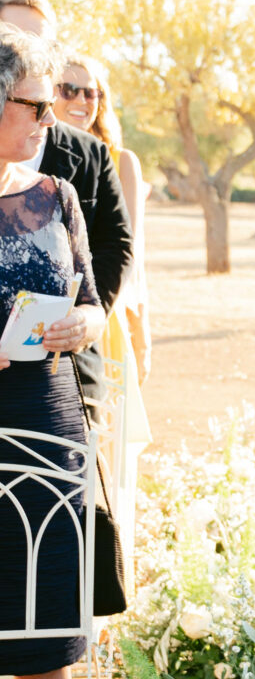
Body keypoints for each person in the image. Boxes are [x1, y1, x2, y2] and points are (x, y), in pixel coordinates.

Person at [0, 28, 105, 679]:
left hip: (48, 429)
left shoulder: (57, 194)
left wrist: (80, 321)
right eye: (33, 104)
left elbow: (97, 300)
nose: (49, 118)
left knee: (45, 639)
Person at [54, 52, 152, 557]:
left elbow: (128, 254)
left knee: (103, 455)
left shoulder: (115, 160)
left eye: (90, 92)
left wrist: (141, 330)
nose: (81, 100)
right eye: (68, 89)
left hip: (103, 315)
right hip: (61, 321)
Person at [0, 0, 131, 319]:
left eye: (40, 40)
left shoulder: (88, 155)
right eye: (14, 34)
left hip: (58, 353)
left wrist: (80, 318)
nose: (27, 48)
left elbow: (115, 245)